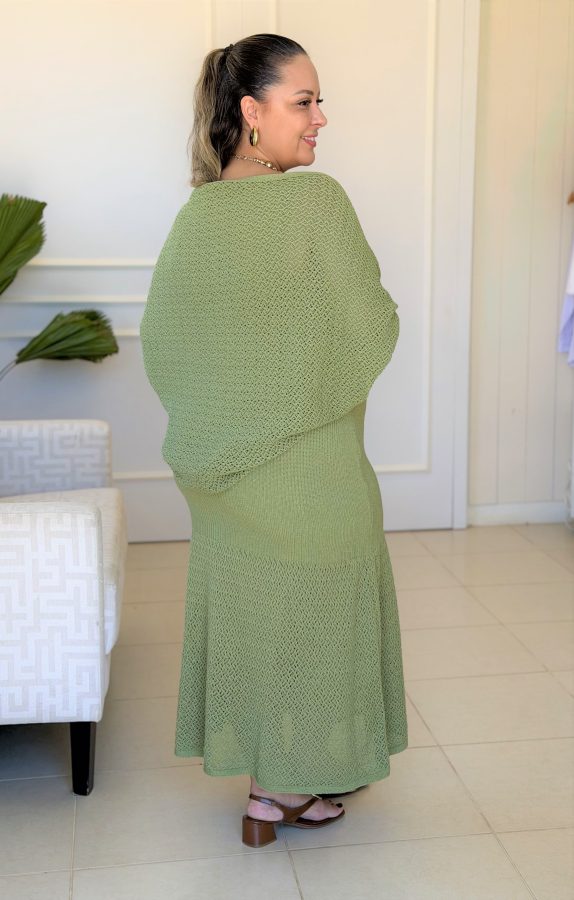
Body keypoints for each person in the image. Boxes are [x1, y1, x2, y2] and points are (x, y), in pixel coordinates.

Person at [139, 32, 408, 849]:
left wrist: (228, 421)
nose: (321, 118)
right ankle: (285, 786)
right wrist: (303, 389)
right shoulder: (315, 202)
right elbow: (372, 324)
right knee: (321, 613)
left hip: (222, 474)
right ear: (252, 112)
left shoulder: (196, 217)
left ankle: (267, 789)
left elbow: (165, 343)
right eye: (305, 102)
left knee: (260, 618)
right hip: (311, 468)